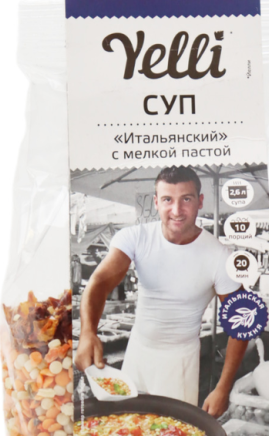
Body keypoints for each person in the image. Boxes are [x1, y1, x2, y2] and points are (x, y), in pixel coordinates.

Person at [75, 166, 248, 416]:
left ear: (200, 201)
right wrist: (87, 333)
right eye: (167, 199)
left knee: (172, 435)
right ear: (156, 202)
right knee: (126, 426)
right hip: (137, 352)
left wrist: (223, 387)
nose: (176, 210)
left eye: (186, 199)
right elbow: (99, 282)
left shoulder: (220, 256)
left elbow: (241, 323)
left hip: (180, 362)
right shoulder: (135, 237)